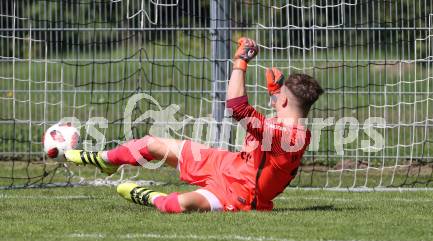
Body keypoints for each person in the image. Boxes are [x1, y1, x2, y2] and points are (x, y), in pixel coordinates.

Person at [64, 37, 323, 213]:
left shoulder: (282, 135)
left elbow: (236, 107)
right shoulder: (295, 127)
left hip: (240, 193)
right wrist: (276, 89)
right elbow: (283, 109)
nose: (276, 101)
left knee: (175, 205)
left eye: (280, 98)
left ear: (286, 102)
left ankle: (150, 196)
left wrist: (241, 61)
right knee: (148, 144)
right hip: (228, 163)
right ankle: (105, 160)